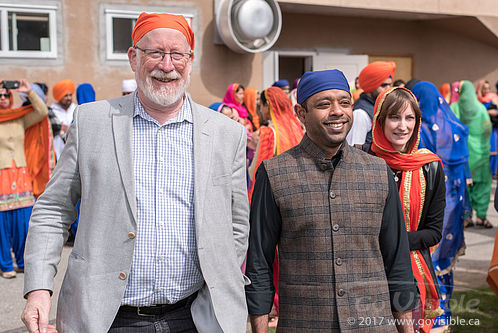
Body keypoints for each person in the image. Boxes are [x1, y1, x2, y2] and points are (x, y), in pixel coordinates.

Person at [22, 12, 249, 333]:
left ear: (190, 60)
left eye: (177, 54)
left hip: (196, 317)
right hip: (107, 319)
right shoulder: (93, 122)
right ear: (133, 57)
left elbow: (237, 224)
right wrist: (38, 290)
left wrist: (218, 276)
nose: (166, 65)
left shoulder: (227, 134)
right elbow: (53, 210)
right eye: (155, 52)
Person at [246, 69, 418, 332]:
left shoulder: (377, 172)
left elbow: (398, 261)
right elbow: (259, 262)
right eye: (324, 104)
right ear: (301, 113)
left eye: (345, 102)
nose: (337, 111)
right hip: (304, 323)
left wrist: (406, 328)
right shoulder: (275, 174)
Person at [370, 86, 445, 332]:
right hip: (368, 272)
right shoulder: (361, 162)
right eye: (394, 117)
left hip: (413, 275)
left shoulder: (430, 166)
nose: (403, 126)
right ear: (380, 121)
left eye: (409, 118)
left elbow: (433, 232)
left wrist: (393, 242)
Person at [412, 81, 472, 329]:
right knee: (443, 256)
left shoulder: (419, 130)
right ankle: (443, 311)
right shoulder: (454, 126)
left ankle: (431, 316)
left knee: (427, 259)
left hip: (430, 204)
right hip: (453, 202)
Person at [247, 86, 303, 327]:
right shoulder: (297, 128)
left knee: (268, 257)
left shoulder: (269, 132)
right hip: (297, 199)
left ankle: (272, 307)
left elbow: (257, 170)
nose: (259, 109)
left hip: (272, 200)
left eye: (261, 104)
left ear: (267, 105)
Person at [0, 80, 49, 279]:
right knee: (2, 222)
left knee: (23, 220)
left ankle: (21, 262)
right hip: (2, 173)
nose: (2, 98)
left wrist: (28, 92)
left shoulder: (19, 118)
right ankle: (5, 265)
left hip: (20, 172)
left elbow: (42, 111)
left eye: (5, 95)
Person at [451, 81, 493, 228]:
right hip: (480, 155)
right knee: (482, 186)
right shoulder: (481, 109)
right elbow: (487, 130)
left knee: (464, 187)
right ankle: (481, 216)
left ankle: (466, 217)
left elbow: (450, 129)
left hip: (462, 156)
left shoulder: (454, 107)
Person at [346, 61, 396, 146]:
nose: (388, 89)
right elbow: (354, 151)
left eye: (389, 85)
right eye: (384, 85)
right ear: (371, 86)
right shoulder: (360, 114)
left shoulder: (380, 106)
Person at [476, 80, 498, 176]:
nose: (487, 91)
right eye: (484, 88)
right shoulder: (477, 100)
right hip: (480, 129)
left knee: (492, 149)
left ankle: (492, 173)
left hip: (492, 129)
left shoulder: (494, 99)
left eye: (488, 88)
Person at [51, 79, 77, 160]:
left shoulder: (76, 108)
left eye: (70, 95)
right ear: (59, 97)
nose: (69, 98)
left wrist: (67, 128)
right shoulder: (52, 110)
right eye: (65, 96)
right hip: (57, 151)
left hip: (74, 151)